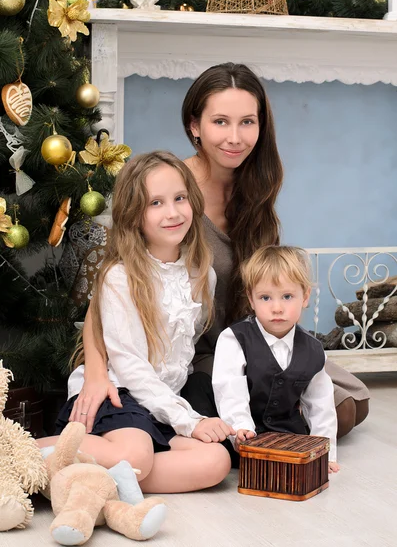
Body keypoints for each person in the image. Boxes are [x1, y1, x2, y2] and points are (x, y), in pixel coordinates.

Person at [70, 63, 369, 443]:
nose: (235, 137)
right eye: (220, 122)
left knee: (353, 402)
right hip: (203, 357)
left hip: (255, 337)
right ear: (195, 125)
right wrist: (96, 371)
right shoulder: (171, 195)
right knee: (335, 413)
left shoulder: (256, 188)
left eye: (247, 122)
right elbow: (109, 288)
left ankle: (268, 411)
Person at [37, 151, 232, 494]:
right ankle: (21, 453)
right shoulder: (120, 277)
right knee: (134, 453)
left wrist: (180, 414)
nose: (172, 212)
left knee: (216, 461)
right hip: (119, 394)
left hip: (160, 403)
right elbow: (130, 367)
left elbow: (180, 355)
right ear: (133, 215)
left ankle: (100, 481)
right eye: (155, 203)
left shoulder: (203, 275)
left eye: (179, 198)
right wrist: (190, 420)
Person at [212, 245, 340, 473]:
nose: (277, 308)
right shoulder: (234, 338)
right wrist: (242, 429)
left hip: (287, 435)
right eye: (265, 298)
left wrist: (324, 453)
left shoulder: (313, 349)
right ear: (251, 299)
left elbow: (321, 405)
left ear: (305, 297)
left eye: (287, 296)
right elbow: (230, 390)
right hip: (241, 433)